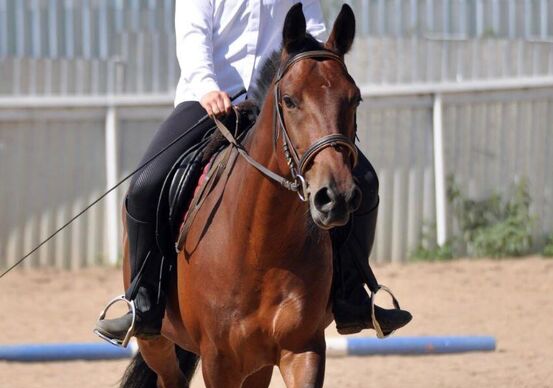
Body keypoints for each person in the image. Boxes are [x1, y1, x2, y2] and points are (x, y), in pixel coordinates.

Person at [94, 0, 412, 346]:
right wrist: (206, 86)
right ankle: (142, 302)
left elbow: (316, 39)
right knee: (144, 186)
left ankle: (352, 296)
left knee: (364, 181)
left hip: (283, 107)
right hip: (210, 101)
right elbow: (193, 35)